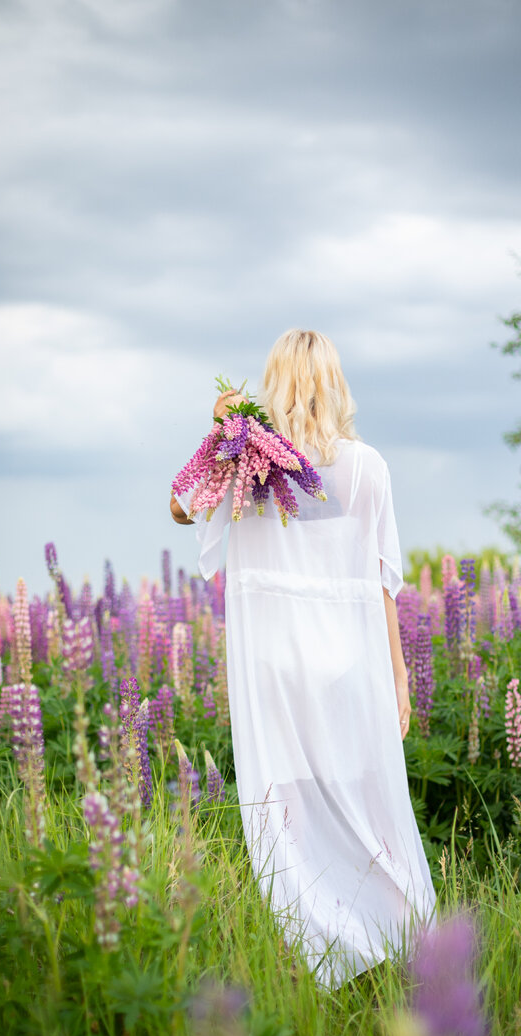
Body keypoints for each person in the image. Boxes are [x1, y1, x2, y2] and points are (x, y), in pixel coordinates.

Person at [170, 329, 435, 987]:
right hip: (347, 667)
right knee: (365, 810)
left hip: (274, 674)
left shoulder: (245, 464)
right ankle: (401, 942)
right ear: (334, 382)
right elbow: (381, 583)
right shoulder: (366, 466)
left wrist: (224, 432)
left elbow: (180, 508)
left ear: (275, 384)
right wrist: (398, 677)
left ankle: (315, 951)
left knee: (285, 814)